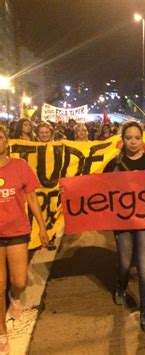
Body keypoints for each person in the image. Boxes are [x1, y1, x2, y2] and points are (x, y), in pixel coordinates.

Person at [103, 120, 145, 335]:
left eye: (137, 138)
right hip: (122, 222)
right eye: (129, 138)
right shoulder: (113, 164)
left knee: (144, 267)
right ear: (122, 141)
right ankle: (121, 285)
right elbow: (98, 190)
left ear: (142, 140)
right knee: (125, 263)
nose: (133, 142)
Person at [0, 125, 49, 353]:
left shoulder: (20, 166)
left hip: (18, 231)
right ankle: (2, 333)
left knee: (18, 282)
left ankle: (16, 299)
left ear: (7, 141)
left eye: (0, 137)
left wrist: (42, 227)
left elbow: (31, 197)